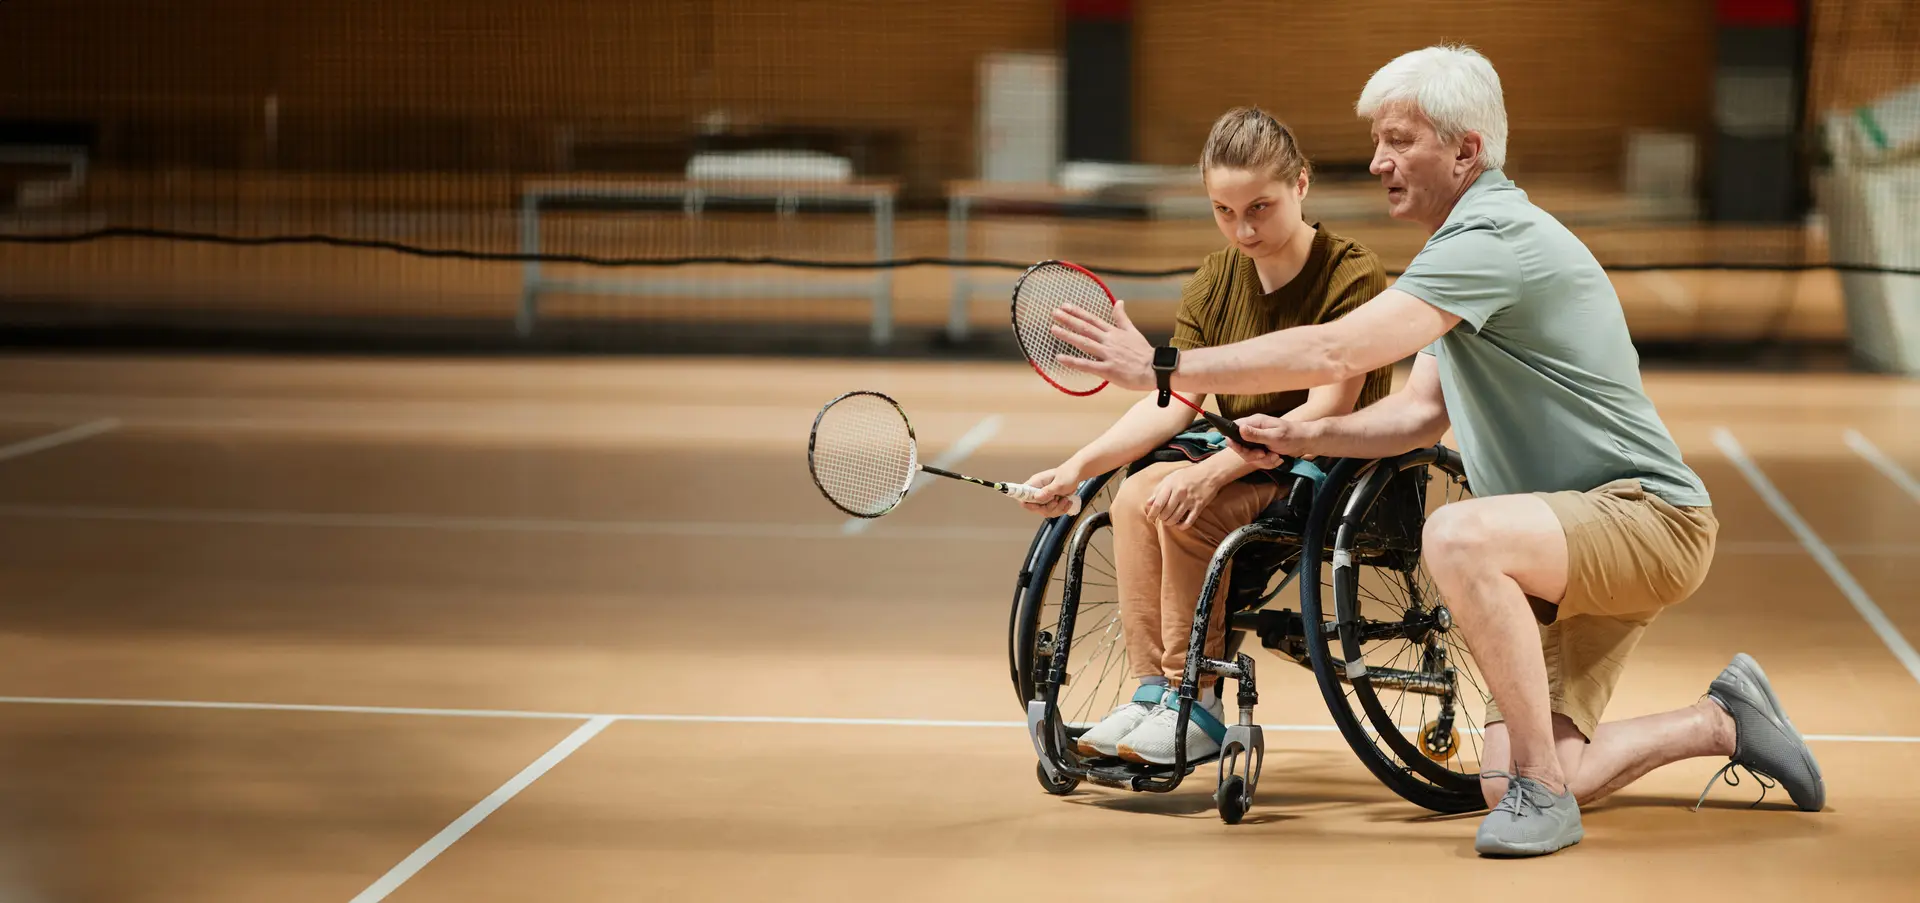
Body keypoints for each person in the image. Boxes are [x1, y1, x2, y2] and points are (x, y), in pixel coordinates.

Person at [1043, 45, 1824, 857]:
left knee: (1454, 533)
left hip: (1643, 518)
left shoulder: (1495, 239)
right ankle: (1724, 719)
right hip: (1559, 542)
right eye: (1379, 141)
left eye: (1399, 140)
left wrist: (1165, 365)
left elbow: (1339, 352)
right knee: (1500, 775)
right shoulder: (1461, 252)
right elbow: (1417, 414)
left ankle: (1544, 799)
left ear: (1466, 152)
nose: (1379, 160)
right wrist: (1307, 434)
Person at [1021, 107, 1394, 766]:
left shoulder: (1351, 275)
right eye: (1223, 210)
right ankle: (1151, 693)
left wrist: (1217, 470)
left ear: (1301, 184)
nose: (1243, 229)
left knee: (1191, 513)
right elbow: (1175, 400)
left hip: (1322, 466)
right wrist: (1079, 465)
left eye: (1260, 207)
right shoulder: (1217, 279)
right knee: (1137, 494)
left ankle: (1198, 702)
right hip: (1243, 454)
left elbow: (1325, 406)